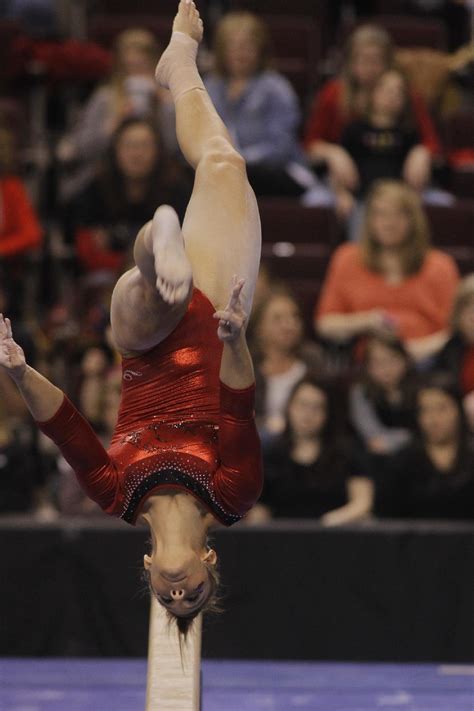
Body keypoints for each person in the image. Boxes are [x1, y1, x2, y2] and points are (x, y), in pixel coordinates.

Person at [0, 0, 263, 633]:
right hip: (222, 323)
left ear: (146, 566)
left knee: (158, 293)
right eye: (192, 596)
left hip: (144, 340)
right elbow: (237, 407)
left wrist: (17, 370)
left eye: (165, 599)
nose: (177, 594)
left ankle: (156, 246)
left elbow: (65, 427)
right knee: (225, 163)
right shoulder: (233, 494)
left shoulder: (115, 495)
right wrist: (234, 338)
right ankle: (181, 70)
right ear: (209, 562)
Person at [315, 180, 459, 363]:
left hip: (426, 359)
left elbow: (456, 332)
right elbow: (325, 323)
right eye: (380, 214)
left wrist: (413, 350)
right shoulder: (347, 258)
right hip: (368, 362)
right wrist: (367, 321)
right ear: (369, 220)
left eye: (399, 215)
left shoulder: (441, 266)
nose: (389, 223)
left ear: (414, 220)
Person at [304, 25, 440, 191]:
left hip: (399, 182)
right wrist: (334, 153)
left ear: (388, 62)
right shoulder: (333, 94)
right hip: (343, 182)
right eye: (362, 59)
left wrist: (421, 152)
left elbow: (430, 142)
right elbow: (311, 145)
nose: (369, 67)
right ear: (350, 62)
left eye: (375, 60)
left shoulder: (406, 94)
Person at [204, 11, 321, 198]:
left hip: (273, 172)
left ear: (261, 50)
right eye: (233, 46)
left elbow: (281, 147)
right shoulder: (210, 86)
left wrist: (239, 160)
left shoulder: (276, 87)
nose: (240, 53)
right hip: (221, 172)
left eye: (248, 46)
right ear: (221, 50)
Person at [57, 28, 177, 200]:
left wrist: (166, 109)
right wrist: (112, 124)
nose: (135, 74)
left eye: (142, 66)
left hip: (158, 183)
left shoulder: (167, 101)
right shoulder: (105, 98)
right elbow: (79, 148)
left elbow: (175, 149)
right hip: (108, 181)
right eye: (129, 67)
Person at [64, 117, 190, 274]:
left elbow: (187, 247)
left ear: (159, 151)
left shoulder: (178, 191)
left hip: (165, 277)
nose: (136, 154)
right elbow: (86, 248)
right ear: (115, 150)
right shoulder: (95, 189)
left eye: (144, 146)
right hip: (105, 278)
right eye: (129, 146)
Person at [261, 377, 373, 524]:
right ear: (289, 407)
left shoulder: (348, 452)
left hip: (336, 535)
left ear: (328, 413)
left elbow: (362, 503)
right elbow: (260, 510)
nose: (308, 414)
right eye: (302, 405)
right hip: (281, 539)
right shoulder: (269, 454)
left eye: (317, 407)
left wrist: (327, 524)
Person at [375, 372, 474, 520]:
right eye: (425, 410)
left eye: (442, 409)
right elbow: (385, 517)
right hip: (413, 541)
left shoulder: (471, 455)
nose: (433, 420)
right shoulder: (402, 461)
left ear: (459, 411)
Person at [335, 68, 431, 218]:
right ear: (373, 93)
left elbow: (418, 174)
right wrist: (342, 193)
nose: (392, 96)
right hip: (363, 199)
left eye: (398, 92)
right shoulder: (354, 129)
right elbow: (339, 171)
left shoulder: (409, 132)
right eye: (386, 90)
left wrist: (422, 151)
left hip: (400, 200)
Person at [250, 288, 325, 437]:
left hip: (303, 440)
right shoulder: (247, 363)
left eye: (294, 317)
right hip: (258, 442)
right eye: (278, 319)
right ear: (259, 328)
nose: (289, 324)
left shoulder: (313, 359)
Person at [349, 333, 416, 457]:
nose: (386, 368)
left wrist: (398, 441)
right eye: (378, 363)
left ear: (405, 360)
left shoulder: (420, 390)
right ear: (368, 367)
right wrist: (404, 438)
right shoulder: (361, 392)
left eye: (392, 360)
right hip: (375, 455)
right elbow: (372, 437)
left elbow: (421, 433)